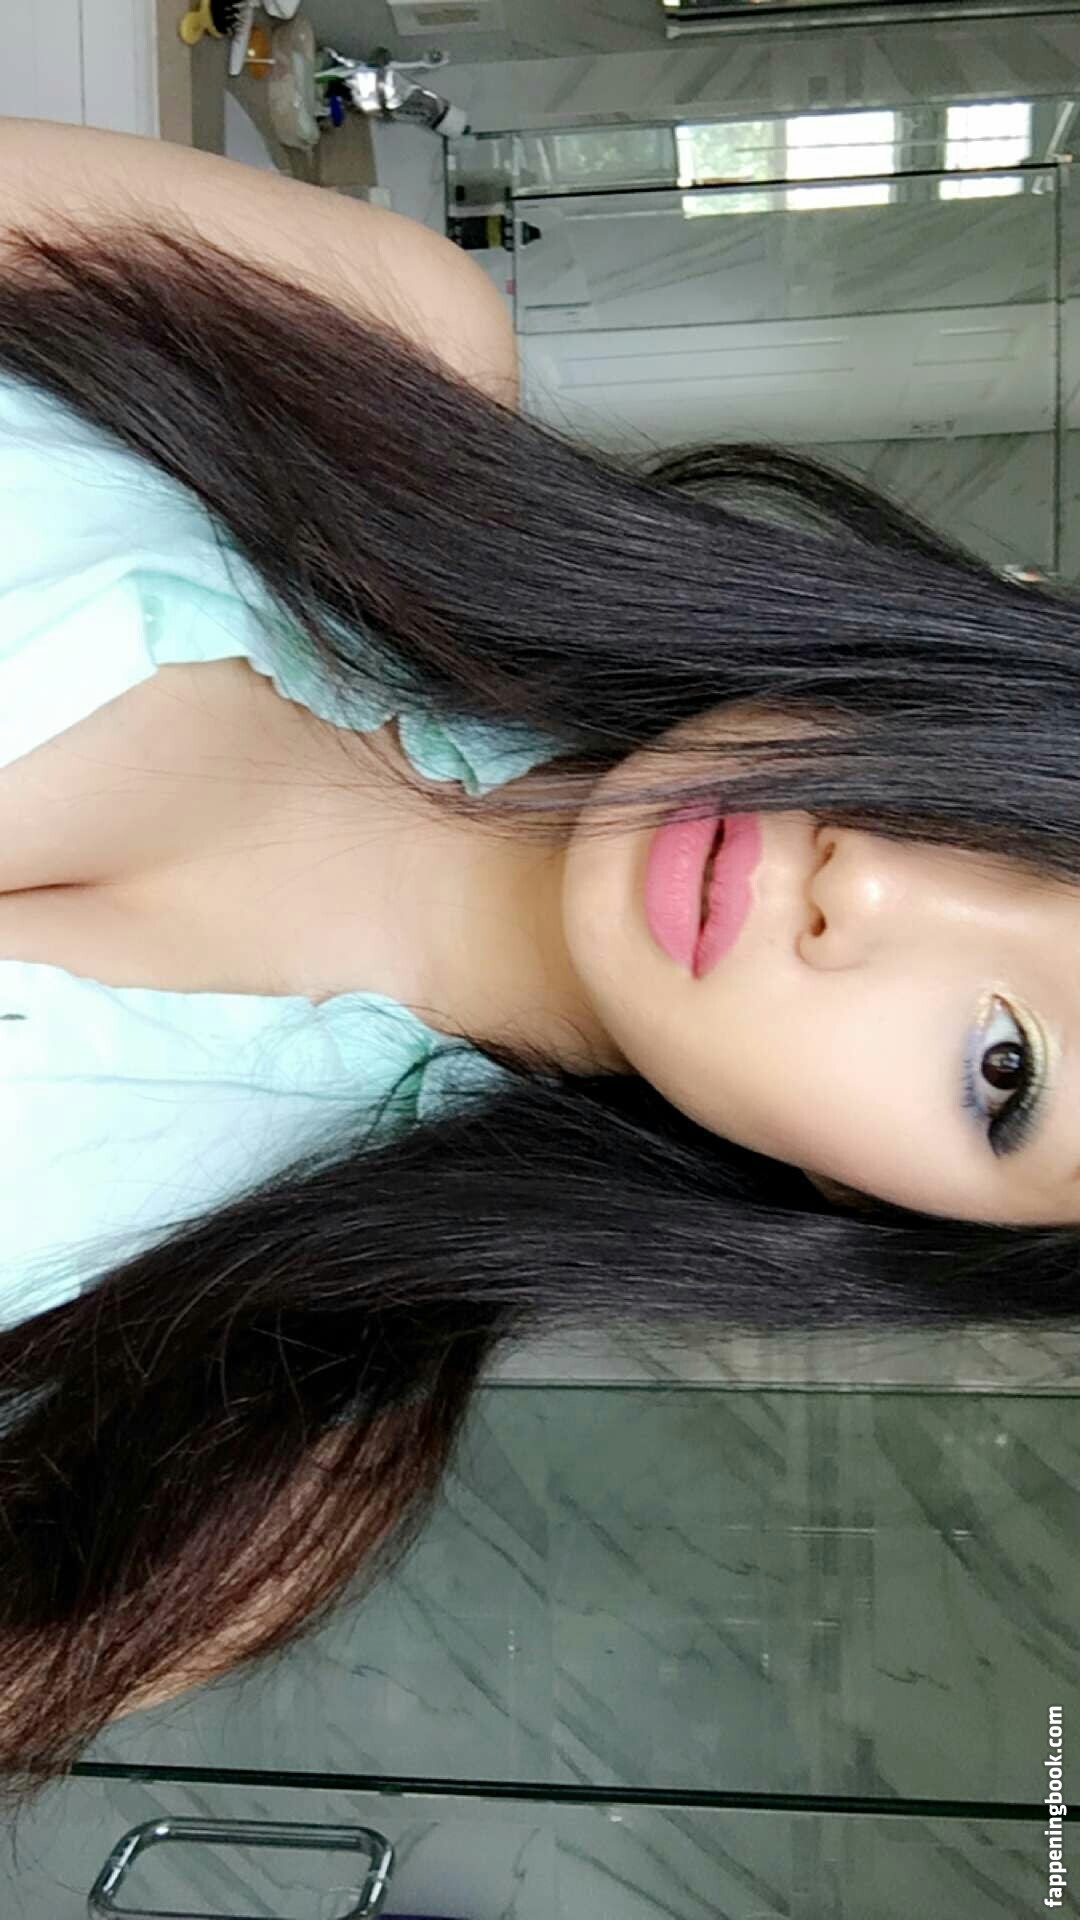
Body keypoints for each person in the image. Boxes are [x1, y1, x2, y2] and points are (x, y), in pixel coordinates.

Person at [0, 118, 1077, 1810]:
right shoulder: (372, 347)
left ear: (880, 1212)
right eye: (1002, 816)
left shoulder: (260, 1453)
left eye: (1001, 1068)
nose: (865, 885)